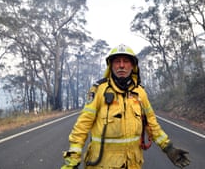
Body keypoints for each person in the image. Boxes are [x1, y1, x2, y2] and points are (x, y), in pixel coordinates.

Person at [61, 44, 190, 169]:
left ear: (133, 66)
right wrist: (73, 158)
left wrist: (168, 148)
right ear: (111, 66)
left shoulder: (140, 93)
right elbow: (82, 126)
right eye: (117, 61)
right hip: (101, 165)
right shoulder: (99, 91)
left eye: (126, 61)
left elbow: (152, 125)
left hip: (133, 164)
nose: (121, 65)